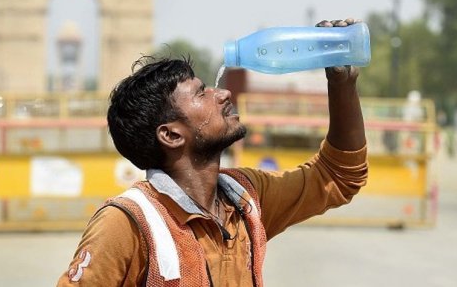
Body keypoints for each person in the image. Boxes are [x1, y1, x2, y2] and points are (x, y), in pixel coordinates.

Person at [57, 18, 368, 286]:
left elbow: (339, 176)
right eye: (201, 93)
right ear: (171, 135)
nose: (223, 93)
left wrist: (342, 84)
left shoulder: (246, 198)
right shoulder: (127, 224)